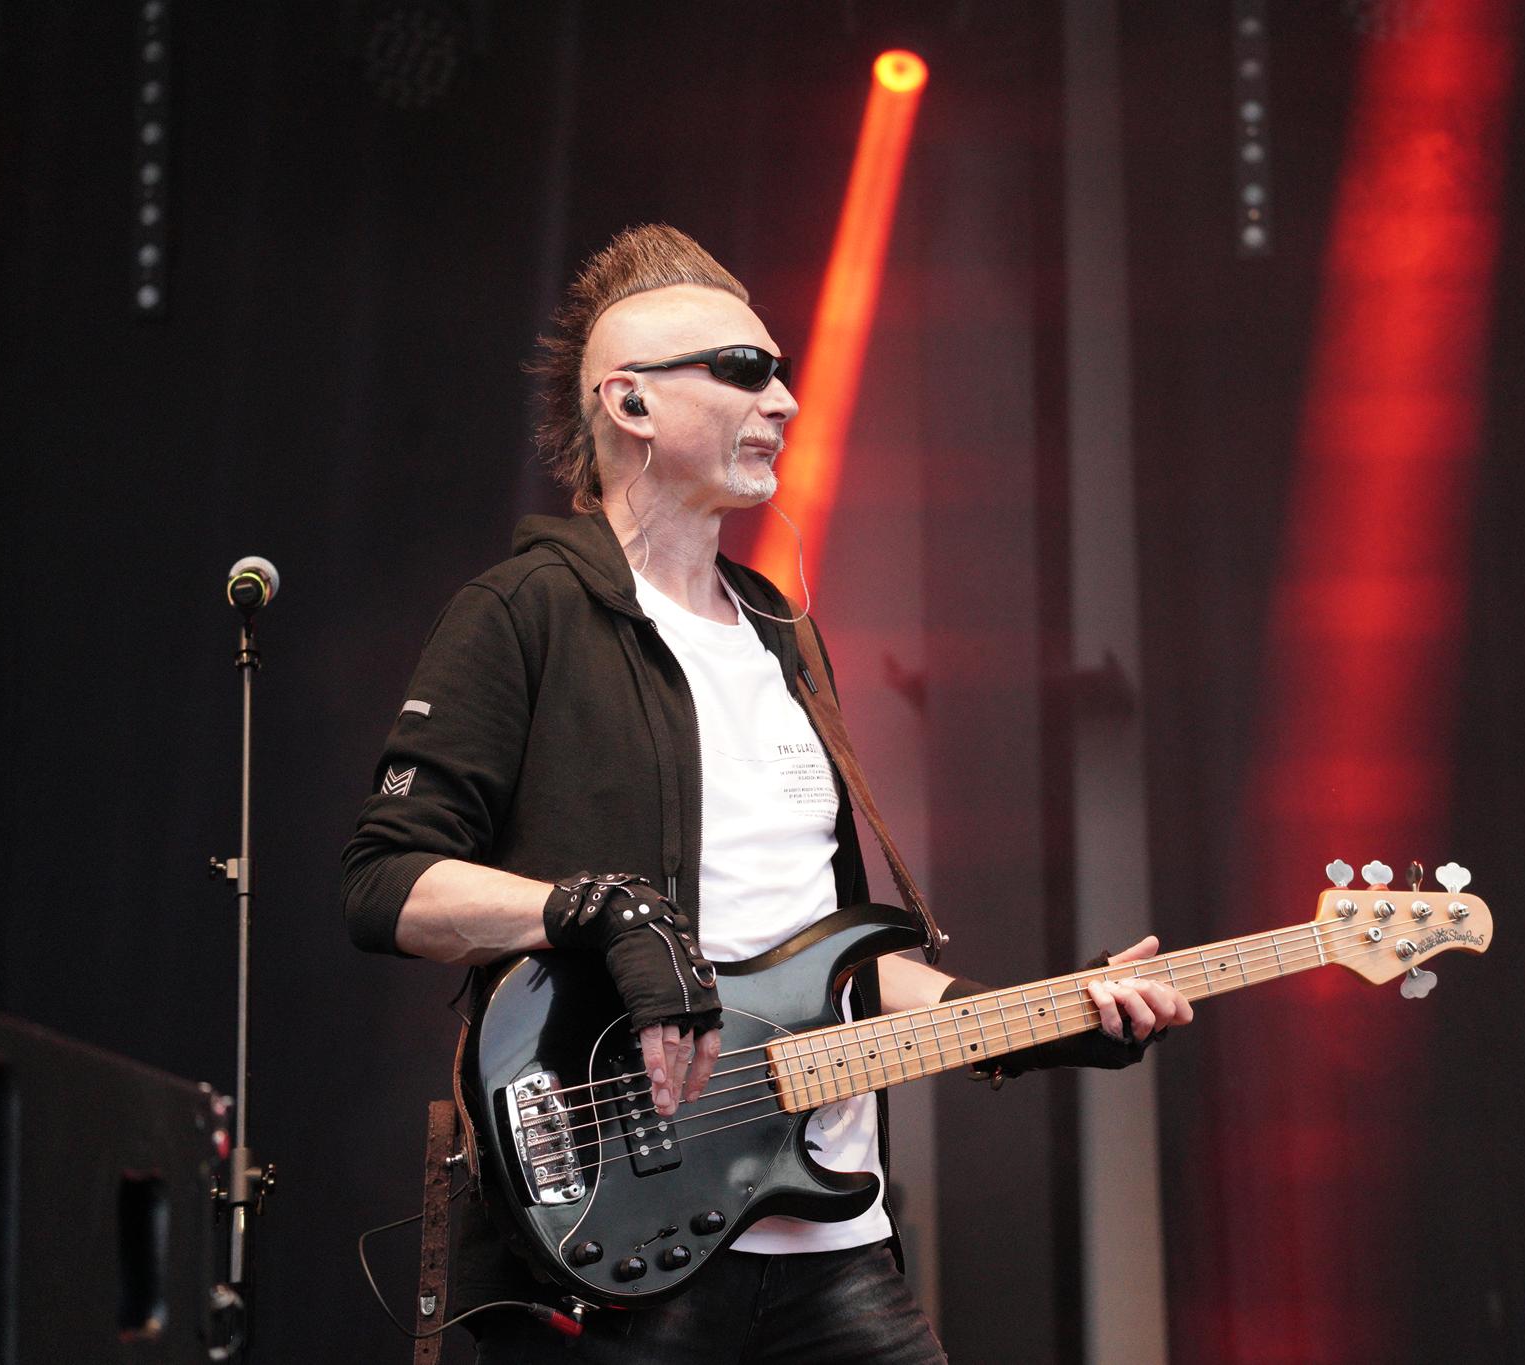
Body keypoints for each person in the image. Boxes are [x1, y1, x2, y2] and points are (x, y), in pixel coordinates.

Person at [341, 224, 1194, 1363]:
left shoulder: (783, 633)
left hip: (834, 1244)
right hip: (625, 1244)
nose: (783, 401)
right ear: (631, 403)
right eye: (745, 371)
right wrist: (601, 913)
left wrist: (1040, 1022)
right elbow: (385, 881)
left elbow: (829, 965)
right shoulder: (522, 612)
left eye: (782, 371)